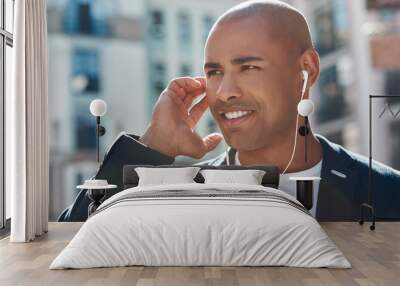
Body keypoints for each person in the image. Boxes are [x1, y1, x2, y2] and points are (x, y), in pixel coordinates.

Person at [59, 0, 400, 222]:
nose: (225, 91)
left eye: (248, 67)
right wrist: (154, 145)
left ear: (307, 70)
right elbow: (66, 248)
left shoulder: (388, 193)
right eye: (214, 72)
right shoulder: (181, 193)